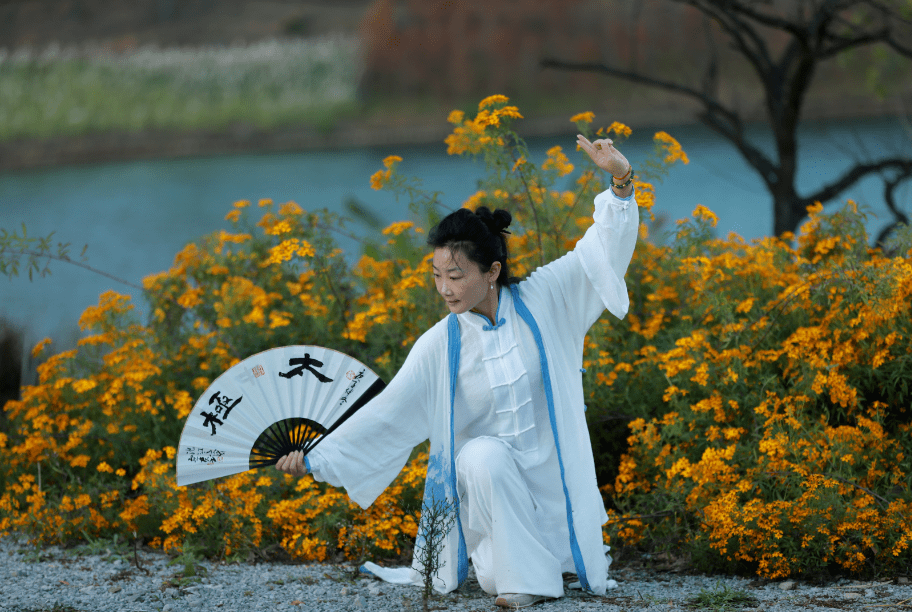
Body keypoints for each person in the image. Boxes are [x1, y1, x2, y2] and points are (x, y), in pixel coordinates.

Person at [276, 134, 638, 609]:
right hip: (495, 525)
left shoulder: (545, 298)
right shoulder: (439, 346)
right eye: (436, 276)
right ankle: (523, 581)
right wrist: (317, 456)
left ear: (492, 271)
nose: (444, 289)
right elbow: (388, 413)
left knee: (548, 524)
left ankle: (553, 563)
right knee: (480, 456)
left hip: (560, 511)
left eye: (456, 276)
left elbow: (599, 254)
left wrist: (621, 183)